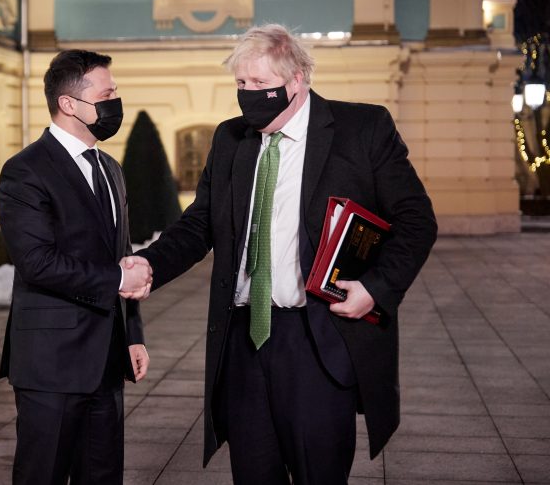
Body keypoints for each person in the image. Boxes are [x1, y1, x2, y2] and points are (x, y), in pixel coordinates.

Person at [127, 24, 437, 484]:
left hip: (316, 339)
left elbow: (417, 221)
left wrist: (376, 288)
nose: (249, 96)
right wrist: (151, 262)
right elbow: (200, 225)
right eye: (241, 84)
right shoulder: (230, 139)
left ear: (297, 81)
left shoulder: (362, 129)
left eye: (261, 85)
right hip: (244, 342)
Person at [0, 49, 152, 485]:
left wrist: (133, 336)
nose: (114, 102)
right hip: (51, 364)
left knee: (102, 476)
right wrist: (121, 279)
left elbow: (121, 256)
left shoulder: (111, 168)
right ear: (69, 104)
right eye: (107, 94)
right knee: (42, 475)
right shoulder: (25, 170)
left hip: (107, 361)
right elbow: (37, 262)